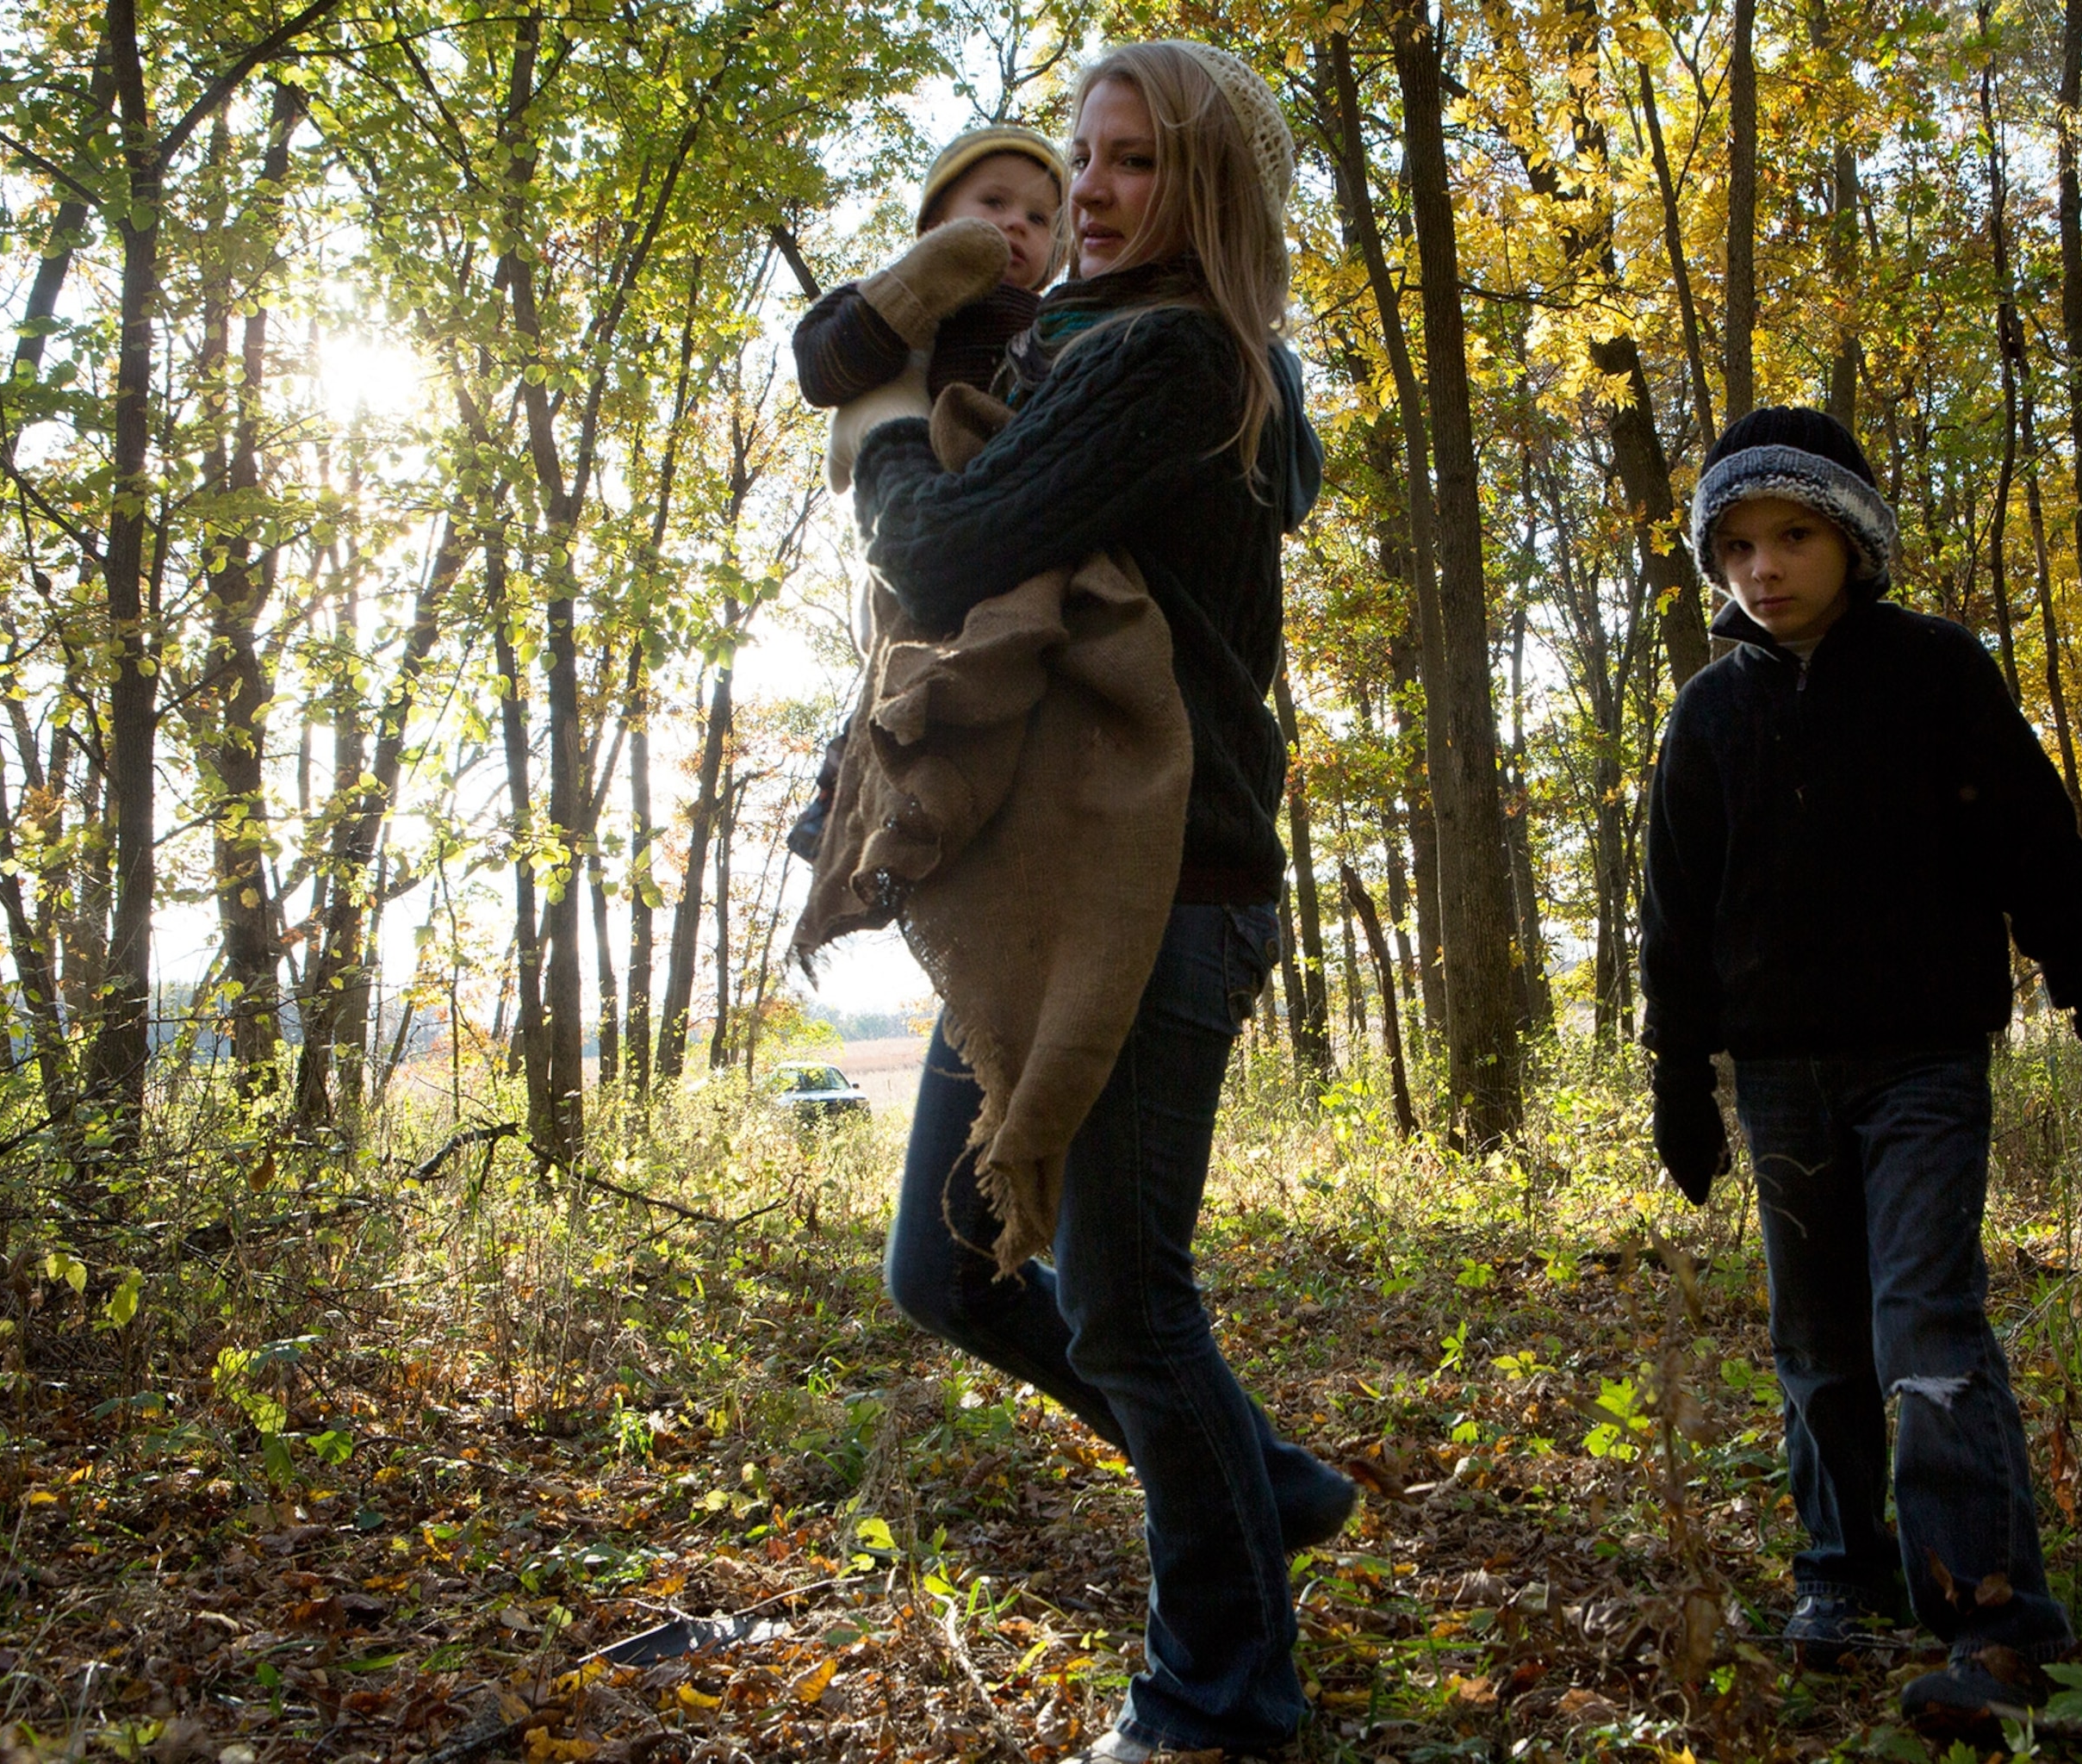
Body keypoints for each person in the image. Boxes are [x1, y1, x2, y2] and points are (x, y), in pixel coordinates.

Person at [848, 41, 1349, 1764]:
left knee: (1127, 1302)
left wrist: (882, 418)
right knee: (947, 1267)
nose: (1093, 190)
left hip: (1163, 882)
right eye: (1084, 156)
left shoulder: (1175, 356)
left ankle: (1219, 1699)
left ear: (1203, 185)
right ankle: (1258, 1480)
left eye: (1133, 160)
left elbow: (938, 544)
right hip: (1048, 884)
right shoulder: (1082, 344)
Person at [1636, 407, 2082, 1734]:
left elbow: (2037, 848)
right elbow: (1674, 913)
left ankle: (1994, 1621)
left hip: (1923, 1061)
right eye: (1737, 546)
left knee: (1924, 1324)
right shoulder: (1708, 714)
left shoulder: (1937, 674)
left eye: (1793, 535)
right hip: (1779, 1075)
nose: (1765, 568)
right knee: (1816, 1340)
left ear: (1854, 540)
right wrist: (1677, 1075)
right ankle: (1841, 1568)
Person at [792, 122, 1067, 494]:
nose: (1017, 222)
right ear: (937, 224)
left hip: (1013, 488)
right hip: (911, 481)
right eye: (993, 202)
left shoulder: (1052, 321)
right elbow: (819, 376)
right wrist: (908, 291)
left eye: (1038, 219)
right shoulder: (878, 292)